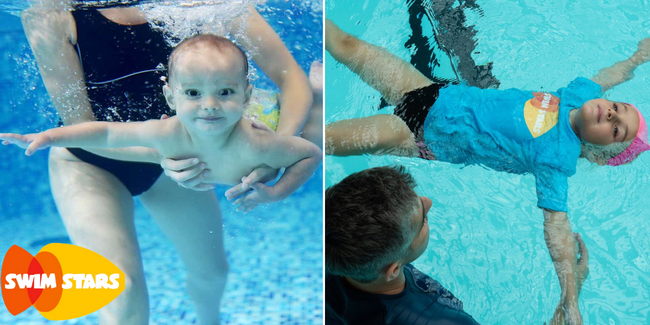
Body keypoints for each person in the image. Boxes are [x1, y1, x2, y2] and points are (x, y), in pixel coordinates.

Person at [323, 19, 649, 324]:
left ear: (598, 155)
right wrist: (637, 58)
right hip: (432, 92)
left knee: (325, 139)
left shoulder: (556, 160)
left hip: (417, 134)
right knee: (347, 44)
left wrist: (570, 295)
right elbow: (608, 77)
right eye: (618, 109)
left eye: (617, 130)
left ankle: (280, 135)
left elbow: (557, 226)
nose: (611, 116)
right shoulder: (576, 96)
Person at [19, 2, 319, 324]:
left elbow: (292, 81)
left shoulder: (207, 3)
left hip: (180, 158)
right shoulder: (50, 14)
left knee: (212, 273)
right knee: (120, 288)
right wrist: (161, 156)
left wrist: (273, 152)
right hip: (90, 163)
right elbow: (84, 130)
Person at [325, 166, 591, 325]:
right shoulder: (439, 321)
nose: (429, 201)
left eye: (418, 199)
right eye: (423, 220)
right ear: (393, 269)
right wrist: (572, 291)